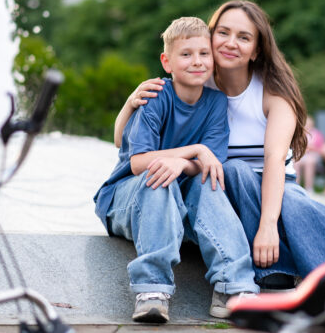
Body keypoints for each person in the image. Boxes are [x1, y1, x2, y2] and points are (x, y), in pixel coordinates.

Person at [115, 0, 325, 332]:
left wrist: (267, 226)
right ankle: (275, 281)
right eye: (222, 33)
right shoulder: (197, 78)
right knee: (232, 170)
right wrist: (129, 102)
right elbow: (126, 144)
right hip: (223, 196)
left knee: (291, 198)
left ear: (256, 50)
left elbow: (274, 162)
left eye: (244, 37)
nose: (230, 43)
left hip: (276, 193)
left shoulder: (272, 92)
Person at [94, 17, 259, 324]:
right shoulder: (156, 95)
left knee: (208, 179)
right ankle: (152, 290)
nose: (196, 61)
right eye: (186, 55)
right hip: (128, 198)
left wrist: (186, 163)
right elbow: (137, 162)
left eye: (203, 54)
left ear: (213, 58)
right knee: (160, 175)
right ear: (167, 62)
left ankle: (233, 286)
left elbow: (211, 162)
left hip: (178, 197)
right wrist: (191, 151)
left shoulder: (215, 102)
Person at [293, 116, 325, 192]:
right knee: (295, 162)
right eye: (306, 124)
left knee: (309, 162)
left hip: (313, 155)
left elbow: (321, 148)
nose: (307, 126)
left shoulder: (317, 134)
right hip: (301, 155)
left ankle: (309, 187)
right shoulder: (298, 133)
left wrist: (311, 148)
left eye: (309, 124)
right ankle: (296, 186)